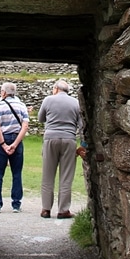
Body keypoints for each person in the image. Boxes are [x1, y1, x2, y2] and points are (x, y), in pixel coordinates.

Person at [38, 79, 83, 220]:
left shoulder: (48, 100)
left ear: (56, 89)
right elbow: (81, 124)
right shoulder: (76, 103)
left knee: (48, 175)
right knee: (66, 176)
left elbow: (41, 118)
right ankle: (63, 210)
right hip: (69, 139)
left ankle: (46, 209)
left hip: (50, 138)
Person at [0, 82, 29, 213]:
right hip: (17, 139)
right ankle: (16, 204)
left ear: (4, 92)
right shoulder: (22, 106)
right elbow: (25, 126)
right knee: (17, 173)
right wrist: (15, 143)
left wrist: (3, 144)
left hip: (2, 138)